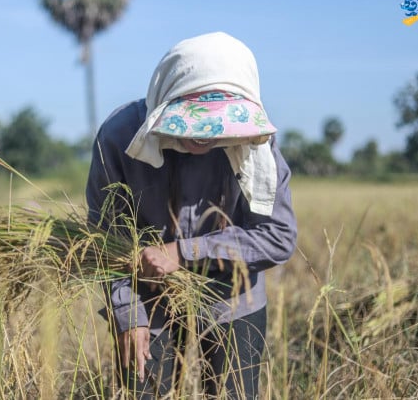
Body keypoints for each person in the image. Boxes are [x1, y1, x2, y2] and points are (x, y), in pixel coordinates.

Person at [86, 32, 297, 399]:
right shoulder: (119, 137)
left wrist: (184, 253)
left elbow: (277, 236)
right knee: (143, 391)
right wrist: (127, 313)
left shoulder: (254, 142)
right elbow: (106, 238)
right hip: (146, 295)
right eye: (195, 123)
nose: (204, 139)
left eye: (216, 128)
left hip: (233, 296)